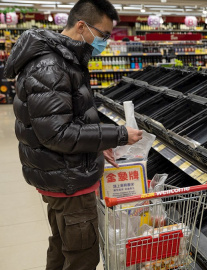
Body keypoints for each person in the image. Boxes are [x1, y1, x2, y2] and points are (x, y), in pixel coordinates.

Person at [4, 1, 143, 269]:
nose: (105, 42)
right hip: (69, 181)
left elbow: (69, 118)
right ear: (82, 26)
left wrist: (97, 143)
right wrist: (118, 134)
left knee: (61, 246)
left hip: (60, 174)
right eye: (103, 35)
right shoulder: (51, 66)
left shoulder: (62, 59)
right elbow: (58, 134)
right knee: (82, 258)